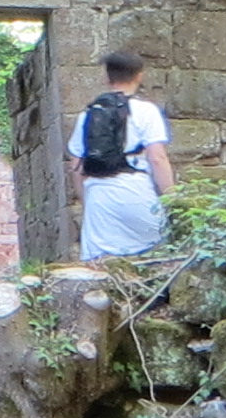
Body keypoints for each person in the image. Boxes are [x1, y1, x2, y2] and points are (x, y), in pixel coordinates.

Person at [65, 48, 175, 261]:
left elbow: (76, 167)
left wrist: (88, 203)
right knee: (157, 260)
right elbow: (157, 158)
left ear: (107, 78)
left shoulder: (88, 116)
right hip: (136, 192)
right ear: (139, 76)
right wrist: (172, 199)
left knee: (100, 267)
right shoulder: (147, 111)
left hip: (99, 199)